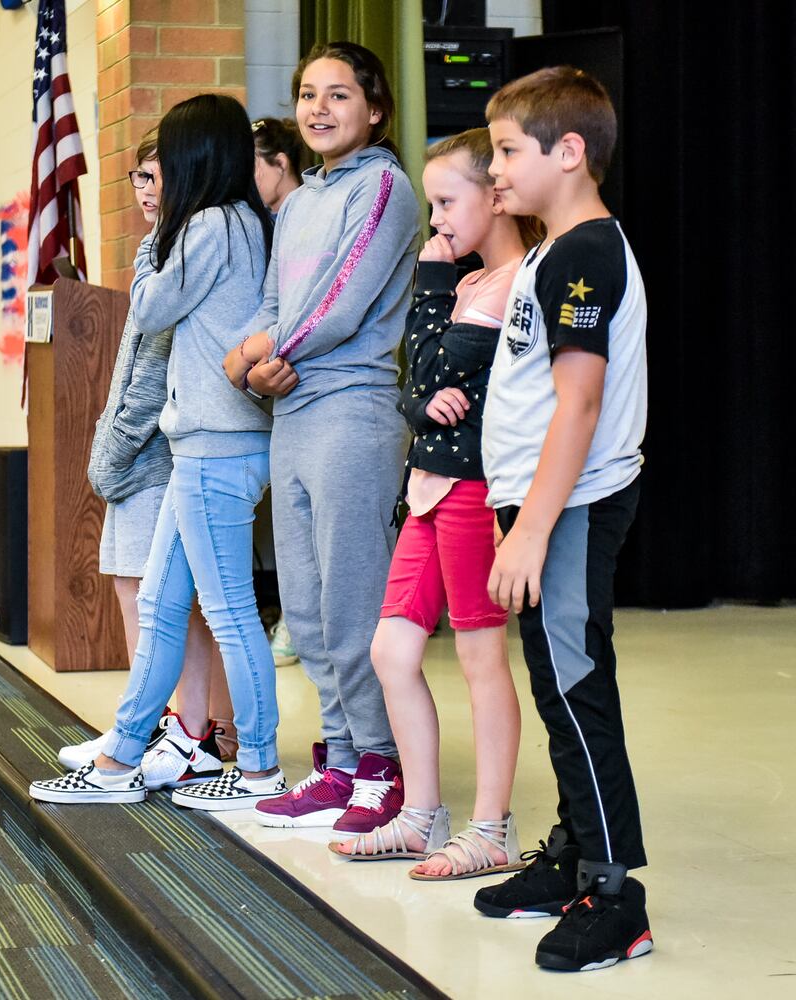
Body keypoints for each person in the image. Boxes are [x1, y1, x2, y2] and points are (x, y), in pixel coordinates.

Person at [31, 94, 286, 810]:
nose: (157, 177)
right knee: (165, 607)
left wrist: (150, 248)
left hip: (216, 446)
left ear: (194, 157)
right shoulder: (240, 223)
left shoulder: (208, 224)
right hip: (203, 445)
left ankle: (259, 769)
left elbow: (147, 308)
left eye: (166, 158)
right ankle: (119, 759)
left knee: (228, 611)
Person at [474, 66, 653, 972]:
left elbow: (577, 407)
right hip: (543, 503)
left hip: (569, 507)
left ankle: (615, 895)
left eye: (507, 151)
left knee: (577, 690)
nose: (493, 168)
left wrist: (533, 529)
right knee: (554, 684)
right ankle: (574, 852)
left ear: (568, 151)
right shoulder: (552, 251)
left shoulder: (585, 252)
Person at [330, 128, 541, 881]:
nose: (438, 219)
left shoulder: (523, 283)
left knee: (483, 661)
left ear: (495, 195)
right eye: (432, 204)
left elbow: (495, 394)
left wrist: (428, 394)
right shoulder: (463, 281)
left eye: (448, 201)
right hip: (425, 488)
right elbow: (416, 375)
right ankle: (420, 816)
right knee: (390, 651)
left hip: (473, 490)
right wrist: (428, 279)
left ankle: (490, 828)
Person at [222, 42, 419, 838]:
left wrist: (257, 359)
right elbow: (273, 300)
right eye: (308, 94)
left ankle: (380, 764)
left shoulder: (383, 188)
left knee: (351, 603)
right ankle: (338, 760)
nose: (318, 108)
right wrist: (246, 365)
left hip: (351, 414)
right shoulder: (300, 202)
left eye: (339, 95)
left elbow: (336, 306)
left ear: (373, 109)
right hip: (293, 415)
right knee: (303, 608)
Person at [64, 128, 236, 785]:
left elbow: (149, 370)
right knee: (141, 589)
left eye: (157, 177)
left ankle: (180, 729)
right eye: (137, 177)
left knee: (157, 597)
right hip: (146, 449)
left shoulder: (181, 249)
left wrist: (110, 454)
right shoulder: (162, 246)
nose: (145, 190)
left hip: (157, 451)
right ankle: (170, 722)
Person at [251, 116, 308, 668]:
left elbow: (303, 308)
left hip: (311, 383)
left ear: (281, 163)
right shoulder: (269, 222)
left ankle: (297, 618)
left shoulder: (303, 215)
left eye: (254, 166)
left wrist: (247, 358)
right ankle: (293, 612)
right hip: (273, 379)